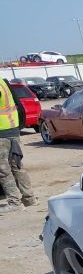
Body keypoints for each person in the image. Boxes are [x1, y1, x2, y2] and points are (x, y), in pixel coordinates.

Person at [0, 78, 37, 214]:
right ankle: (30, 198)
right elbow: (17, 105)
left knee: (3, 169)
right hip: (12, 128)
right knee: (17, 165)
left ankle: (14, 202)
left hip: (2, 132)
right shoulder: (3, 82)